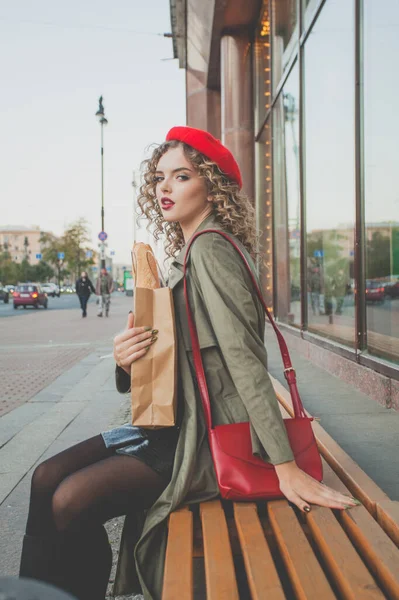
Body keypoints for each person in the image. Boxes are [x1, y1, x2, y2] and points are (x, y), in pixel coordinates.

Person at [19, 126, 360, 600]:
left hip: (199, 438)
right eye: (159, 177)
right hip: (170, 423)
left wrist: (283, 464)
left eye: (181, 176)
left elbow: (245, 362)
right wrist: (125, 358)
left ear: (211, 186)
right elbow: (170, 356)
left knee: (70, 500)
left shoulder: (211, 249)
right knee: (44, 479)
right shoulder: (186, 251)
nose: (164, 187)